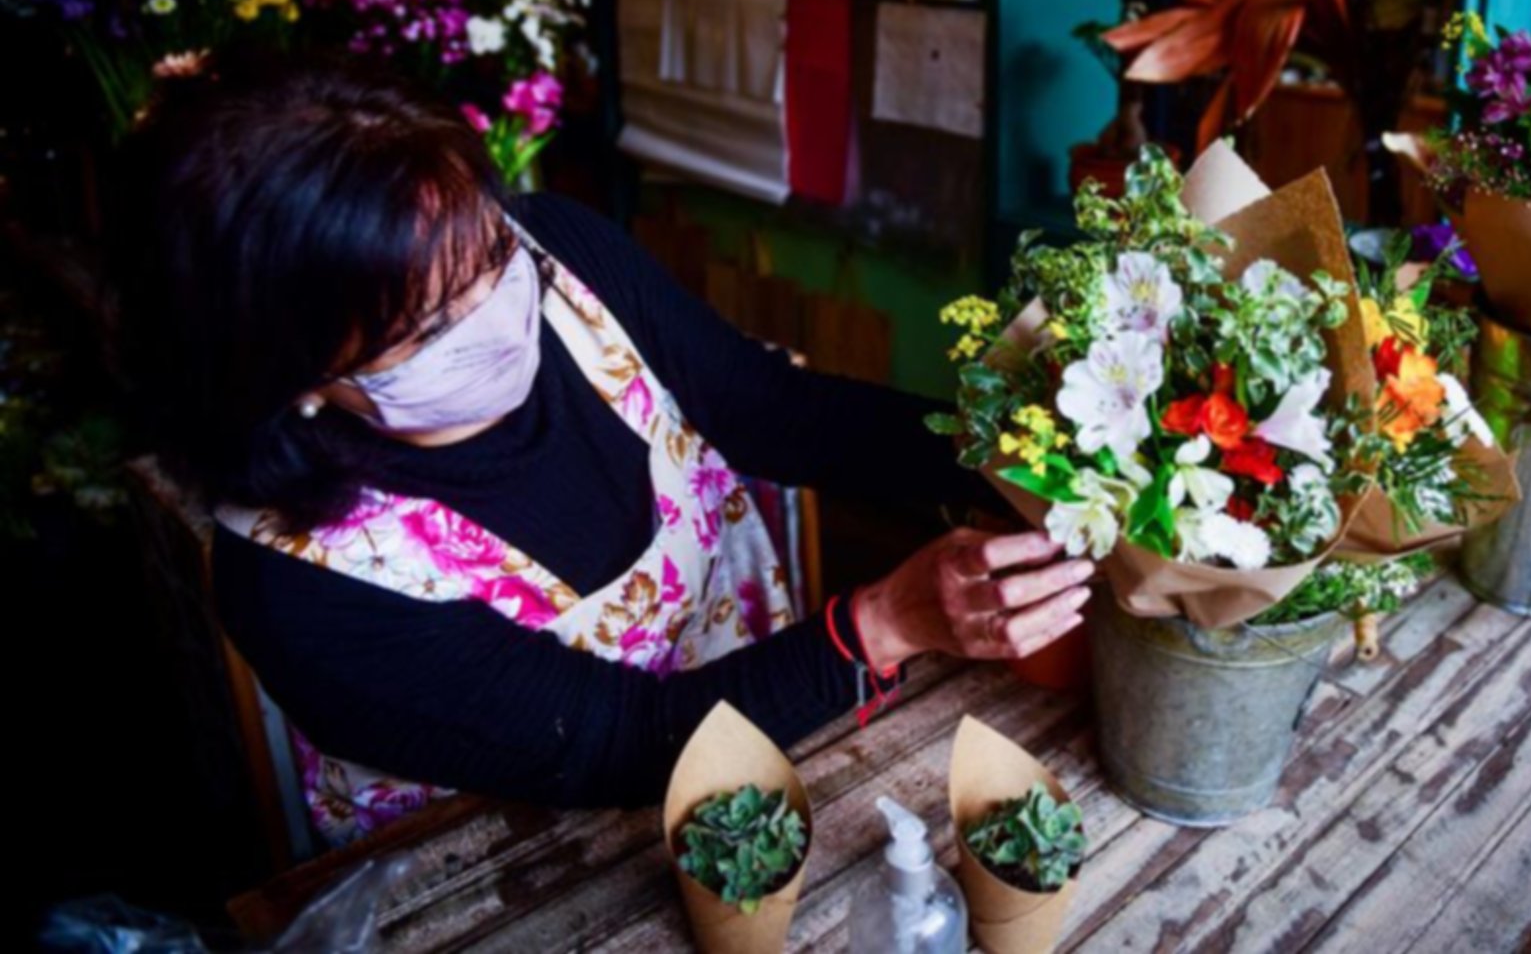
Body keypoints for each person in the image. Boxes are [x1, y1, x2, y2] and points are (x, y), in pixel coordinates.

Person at [109, 46, 1093, 850]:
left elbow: (770, 408)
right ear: (281, 368)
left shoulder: (561, 257)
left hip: (763, 725)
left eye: (490, 255)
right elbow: (622, 744)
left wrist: (1023, 459)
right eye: (424, 326)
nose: (497, 313)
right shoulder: (303, 583)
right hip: (521, 860)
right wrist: (881, 623)